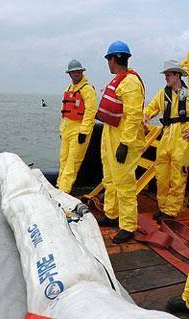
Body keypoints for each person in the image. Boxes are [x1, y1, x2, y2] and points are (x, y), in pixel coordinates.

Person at [95, 41, 145, 244]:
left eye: (108, 59)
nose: (108, 63)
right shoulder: (119, 80)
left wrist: (125, 143)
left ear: (114, 59)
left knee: (124, 184)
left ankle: (127, 225)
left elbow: (133, 116)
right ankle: (111, 213)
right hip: (110, 136)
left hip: (123, 139)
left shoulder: (130, 83)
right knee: (110, 179)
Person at [144, 59, 189, 224]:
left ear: (177, 75)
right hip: (167, 135)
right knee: (162, 174)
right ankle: (163, 208)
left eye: (168, 75)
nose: (166, 78)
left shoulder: (188, 93)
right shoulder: (163, 94)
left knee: (178, 176)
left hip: (182, 139)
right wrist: (144, 117)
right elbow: (151, 108)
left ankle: (171, 211)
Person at [57, 59, 97, 194]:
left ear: (82, 72)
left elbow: (91, 112)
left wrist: (84, 132)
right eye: (73, 72)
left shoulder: (87, 89)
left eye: (78, 72)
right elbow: (64, 113)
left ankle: (63, 192)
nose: (76, 74)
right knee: (63, 160)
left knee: (72, 164)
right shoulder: (69, 89)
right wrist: (61, 130)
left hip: (79, 131)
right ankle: (59, 186)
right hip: (67, 130)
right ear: (69, 74)